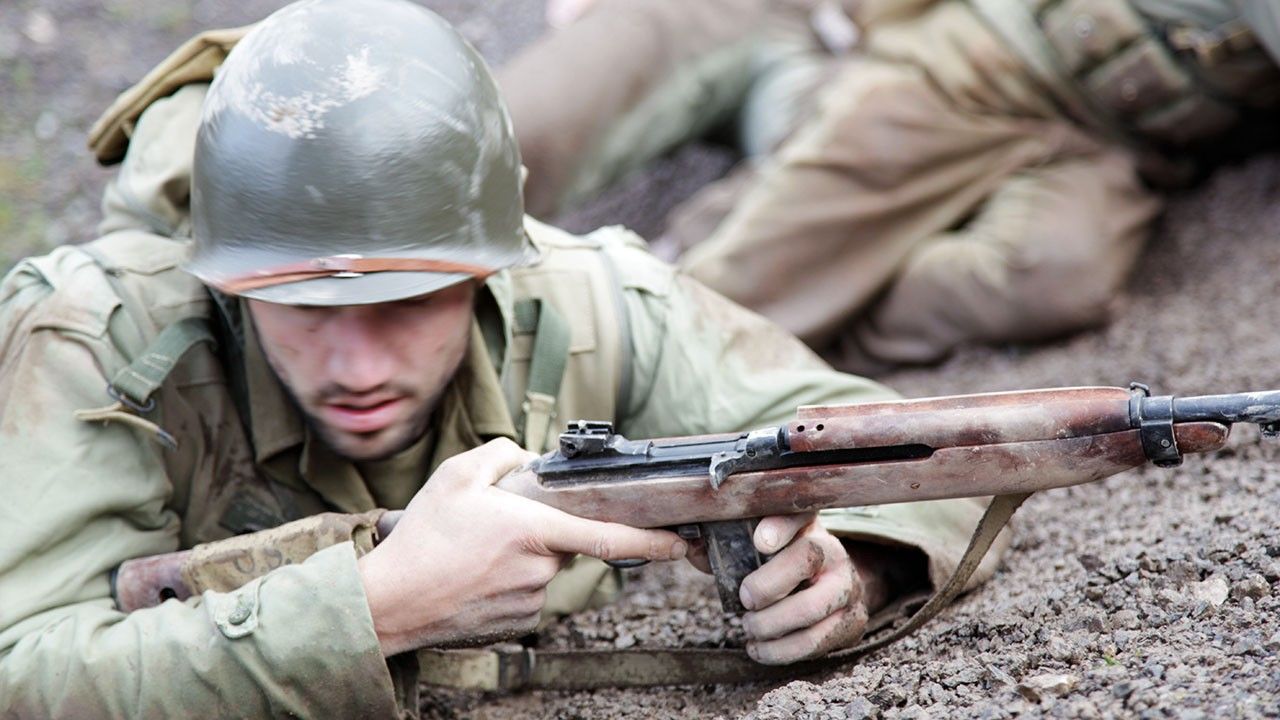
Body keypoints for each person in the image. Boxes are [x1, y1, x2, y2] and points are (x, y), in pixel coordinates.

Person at [0, 1, 1005, 716]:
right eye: (301, 307)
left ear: (485, 270)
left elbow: (904, 450)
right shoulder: (98, 343)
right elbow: (22, 667)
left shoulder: (585, 299)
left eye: (405, 303)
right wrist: (381, 609)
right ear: (229, 282)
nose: (354, 359)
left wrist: (852, 570)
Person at [499, 0, 1280, 374]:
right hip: (944, 63)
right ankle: (537, 363)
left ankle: (813, 306)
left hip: (1086, 135)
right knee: (718, 292)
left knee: (1055, 273)